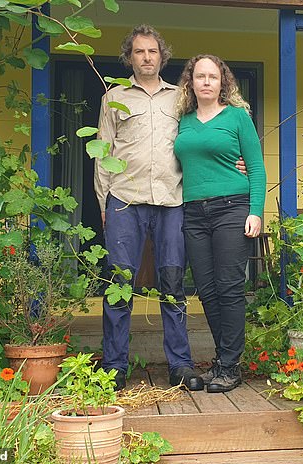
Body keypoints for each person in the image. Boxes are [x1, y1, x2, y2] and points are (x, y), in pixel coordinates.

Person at [94, 25, 208, 391]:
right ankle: (114, 367)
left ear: (162, 56)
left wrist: (235, 161)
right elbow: (102, 154)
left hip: (171, 202)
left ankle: (180, 365)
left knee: (173, 285)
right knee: (119, 284)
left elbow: (199, 140)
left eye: (153, 52)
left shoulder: (180, 99)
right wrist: (103, 204)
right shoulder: (113, 97)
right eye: (139, 52)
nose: (146, 57)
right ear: (130, 57)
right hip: (124, 201)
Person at [174, 55, 267, 393]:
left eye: (213, 76)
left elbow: (256, 168)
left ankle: (229, 365)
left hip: (232, 208)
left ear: (223, 82)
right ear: (191, 82)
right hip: (193, 212)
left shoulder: (237, 117)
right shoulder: (182, 120)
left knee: (229, 288)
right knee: (207, 289)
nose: (207, 82)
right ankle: (224, 358)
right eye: (200, 76)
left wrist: (256, 211)